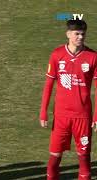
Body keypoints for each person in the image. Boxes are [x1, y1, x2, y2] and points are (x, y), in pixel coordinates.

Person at [40, 19, 97, 180]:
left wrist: (96, 116)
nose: (80, 37)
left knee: (84, 160)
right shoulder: (57, 55)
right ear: (68, 34)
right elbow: (49, 84)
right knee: (54, 159)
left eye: (83, 34)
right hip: (61, 117)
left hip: (83, 117)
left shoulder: (93, 56)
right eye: (76, 34)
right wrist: (43, 112)